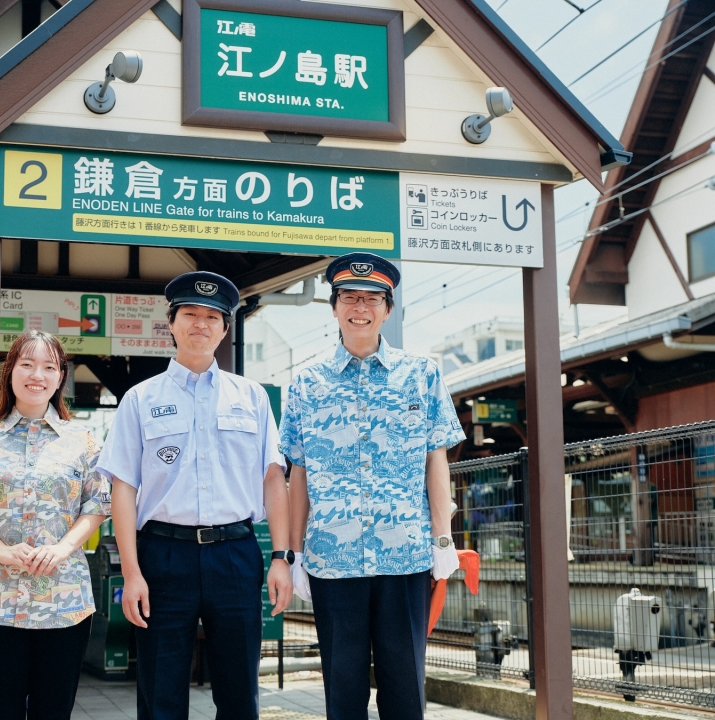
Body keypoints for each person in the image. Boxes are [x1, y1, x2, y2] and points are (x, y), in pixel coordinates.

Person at [97, 271, 292, 720]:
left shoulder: (253, 397)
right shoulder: (140, 400)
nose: (200, 324)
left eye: (212, 316)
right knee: (160, 693)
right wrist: (131, 572)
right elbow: (122, 489)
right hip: (163, 556)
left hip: (235, 553)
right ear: (171, 322)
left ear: (225, 328)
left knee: (240, 691)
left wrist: (281, 556)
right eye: (190, 314)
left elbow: (272, 479)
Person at [280, 253, 466, 720]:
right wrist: (295, 553)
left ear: (387, 309)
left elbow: (435, 461)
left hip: (405, 555)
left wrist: (443, 538)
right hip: (332, 560)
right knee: (342, 690)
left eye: (371, 299)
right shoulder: (306, 382)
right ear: (334, 307)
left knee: (405, 687)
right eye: (349, 297)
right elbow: (297, 475)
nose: (359, 307)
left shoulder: (421, 374)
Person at [0, 330, 110, 720]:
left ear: (61, 376)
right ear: (10, 371)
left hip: (64, 603)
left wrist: (63, 548)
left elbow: (98, 504)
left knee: (54, 711)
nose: (38, 375)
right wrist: (1, 551)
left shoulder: (82, 441)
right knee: (0, 711)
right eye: (27, 364)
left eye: (49, 366)